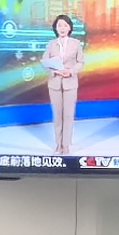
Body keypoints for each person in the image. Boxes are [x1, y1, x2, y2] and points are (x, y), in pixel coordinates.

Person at [44, 11, 88, 158]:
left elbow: (80, 62)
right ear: (55, 28)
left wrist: (71, 71)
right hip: (55, 83)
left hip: (70, 83)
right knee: (58, 115)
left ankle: (66, 144)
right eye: (59, 26)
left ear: (69, 27)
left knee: (68, 115)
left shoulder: (76, 44)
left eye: (65, 25)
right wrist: (55, 71)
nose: (62, 28)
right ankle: (58, 144)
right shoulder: (51, 44)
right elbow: (45, 63)